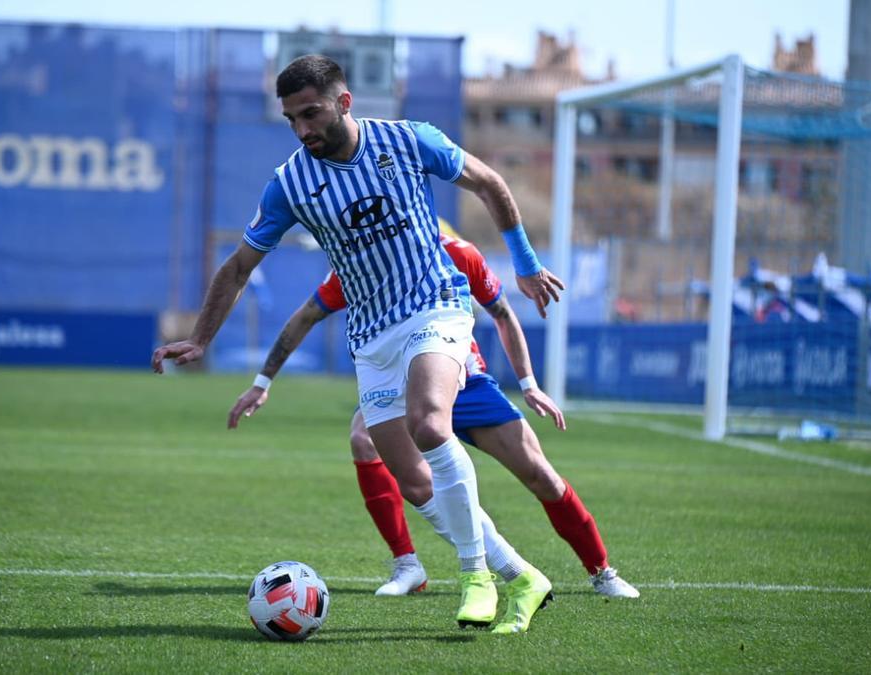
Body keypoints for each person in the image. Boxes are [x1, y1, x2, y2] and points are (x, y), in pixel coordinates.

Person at [151, 54, 565, 634]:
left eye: (312, 113)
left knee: (429, 423)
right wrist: (200, 337)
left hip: (435, 304)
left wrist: (525, 264)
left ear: (344, 102)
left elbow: (490, 184)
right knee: (414, 480)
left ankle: (476, 576)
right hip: (371, 334)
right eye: (292, 119)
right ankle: (521, 573)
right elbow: (241, 264)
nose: (303, 130)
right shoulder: (291, 182)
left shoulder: (410, 140)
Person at [230, 228, 640, 600]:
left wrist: (529, 384)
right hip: (398, 385)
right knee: (366, 441)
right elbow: (306, 315)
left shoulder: (458, 252)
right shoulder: (361, 262)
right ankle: (409, 565)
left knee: (540, 474)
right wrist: (262, 383)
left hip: (465, 380)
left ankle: (602, 572)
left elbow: (501, 313)